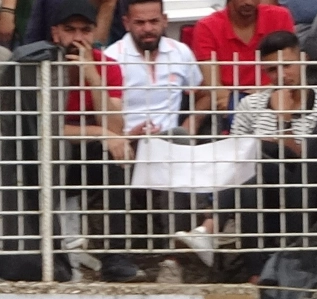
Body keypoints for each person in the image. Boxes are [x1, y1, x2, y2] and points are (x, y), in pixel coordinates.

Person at [182, 30, 317, 276]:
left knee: (254, 152)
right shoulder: (251, 105)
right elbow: (231, 159)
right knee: (249, 171)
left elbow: (312, 166)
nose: (281, 76)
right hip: (255, 188)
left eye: (287, 66)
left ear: (303, 60)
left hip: (301, 189)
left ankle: (210, 227)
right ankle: (256, 274)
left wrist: (283, 121)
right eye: (272, 70)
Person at [50, 0, 143, 282]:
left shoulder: (108, 67)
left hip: (86, 158)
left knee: (118, 154)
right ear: (56, 33)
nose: (78, 38)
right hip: (48, 157)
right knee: (58, 147)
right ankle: (52, 257)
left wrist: (93, 76)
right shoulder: (40, 63)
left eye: (85, 30)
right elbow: (46, 128)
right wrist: (99, 132)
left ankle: (115, 257)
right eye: (70, 30)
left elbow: (114, 126)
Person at [105, 0, 201, 136]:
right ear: (126, 23)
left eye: (154, 21)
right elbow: (100, 112)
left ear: (164, 20)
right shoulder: (111, 57)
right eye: (140, 23)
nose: (148, 29)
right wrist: (129, 137)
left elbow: (204, 94)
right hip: (126, 142)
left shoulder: (180, 51)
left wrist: (191, 123)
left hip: (171, 141)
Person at [192, 0, 297, 117]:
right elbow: (213, 86)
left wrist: (251, 99)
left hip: (273, 96)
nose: (249, 2)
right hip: (228, 104)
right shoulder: (206, 26)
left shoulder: (280, 16)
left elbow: (290, 72)